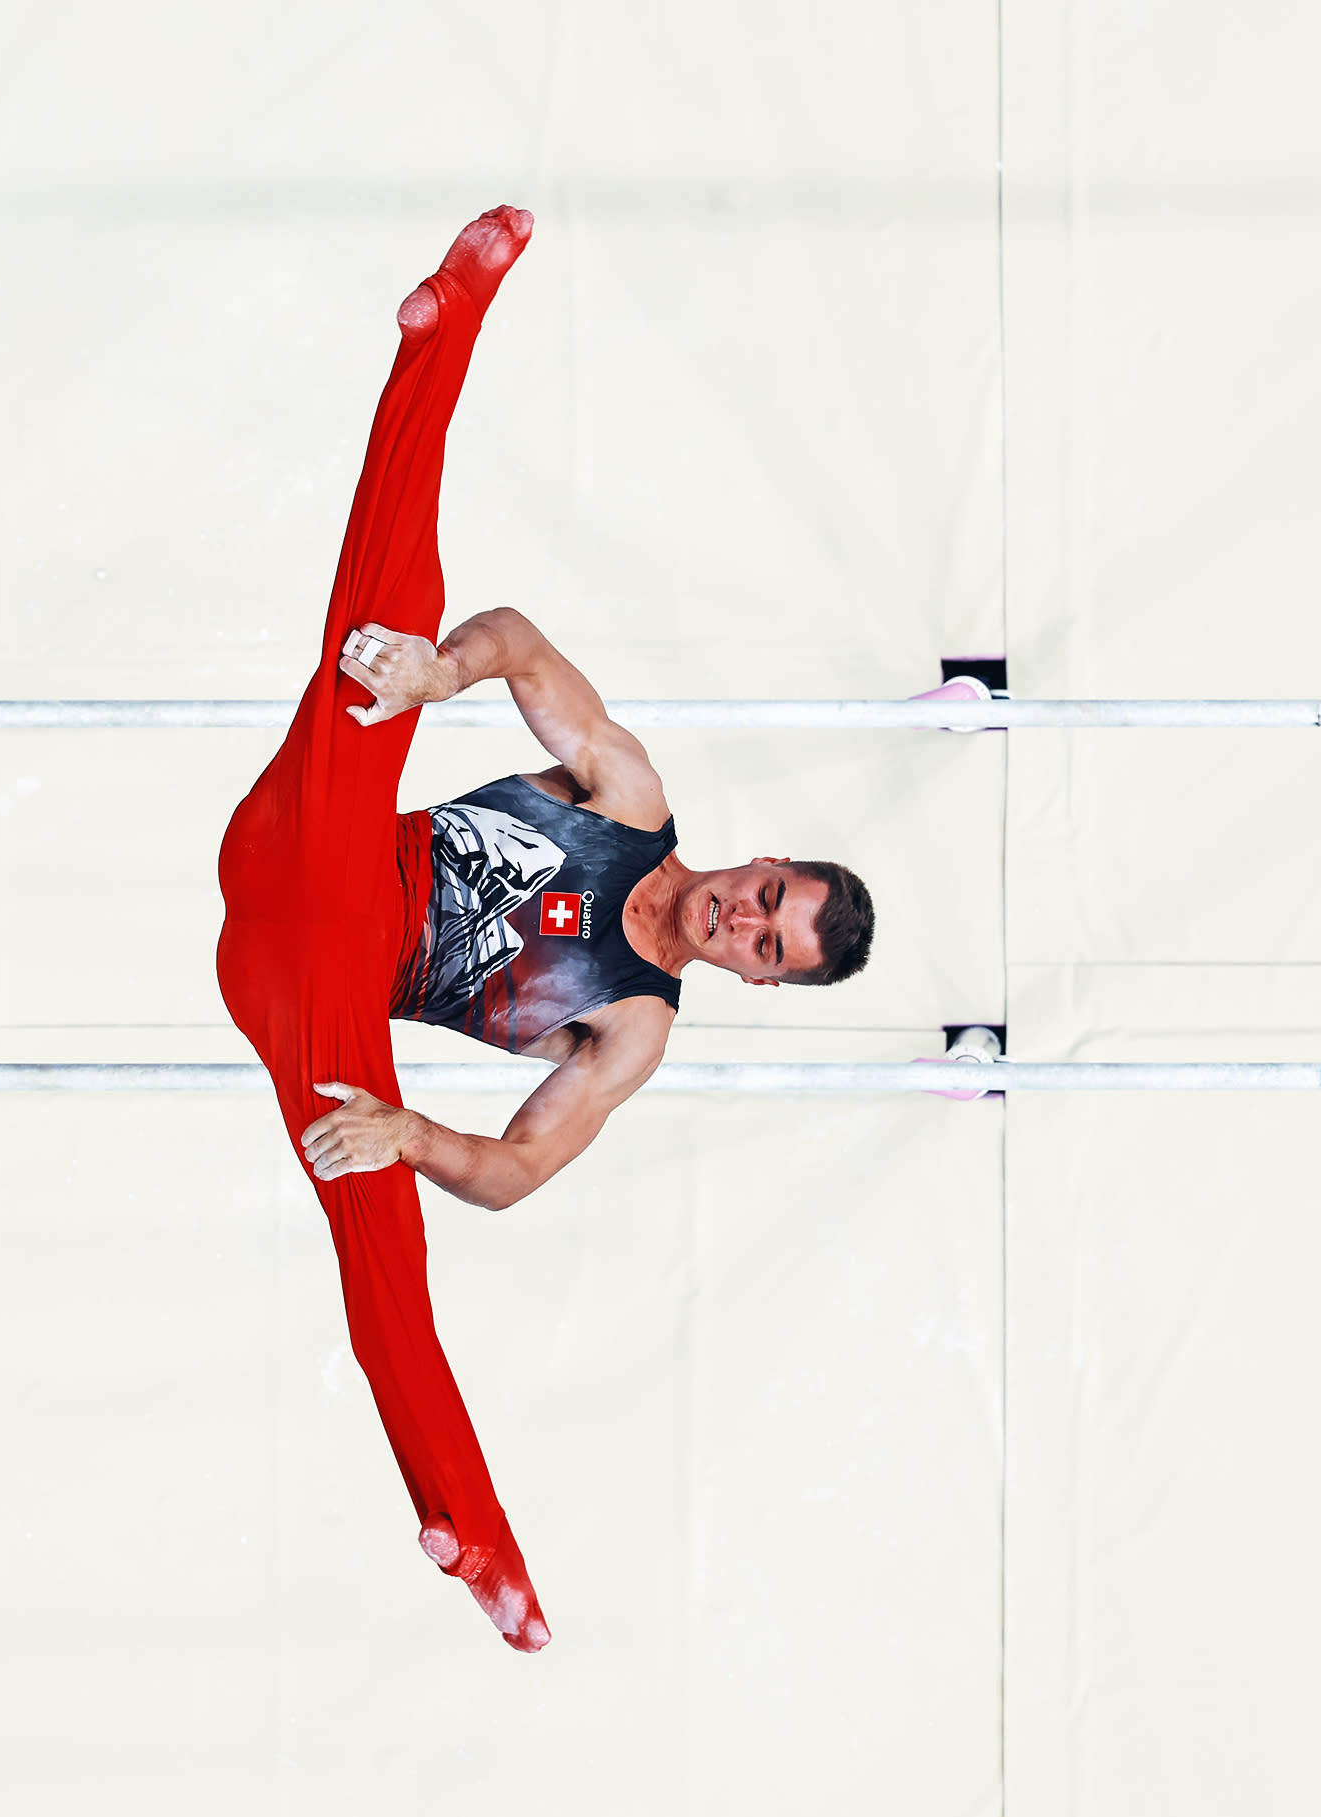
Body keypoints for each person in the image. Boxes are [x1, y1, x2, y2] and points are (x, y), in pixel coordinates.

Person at [214, 208, 876, 1652]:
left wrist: (412, 1139)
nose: (744, 920)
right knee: (384, 633)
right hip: (319, 827)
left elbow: (514, 1173)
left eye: (770, 944)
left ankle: (471, 1534)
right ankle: (439, 335)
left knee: (380, 1239)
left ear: (760, 979)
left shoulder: (634, 1030)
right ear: (759, 859)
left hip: (314, 994)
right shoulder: (628, 790)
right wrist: (440, 676)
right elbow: (515, 635)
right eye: (770, 895)